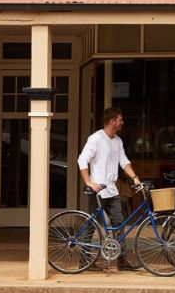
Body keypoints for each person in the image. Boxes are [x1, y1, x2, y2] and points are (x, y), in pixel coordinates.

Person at [77, 107, 141, 270]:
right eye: (120, 120)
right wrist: (89, 182)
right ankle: (84, 260)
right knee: (92, 225)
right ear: (112, 122)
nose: (122, 122)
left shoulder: (118, 141)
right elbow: (82, 160)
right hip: (97, 190)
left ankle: (122, 260)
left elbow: (124, 161)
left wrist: (134, 177)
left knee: (119, 224)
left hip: (112, 190)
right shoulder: (96, 138)